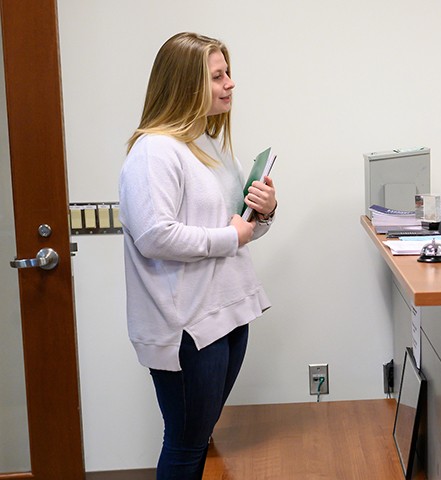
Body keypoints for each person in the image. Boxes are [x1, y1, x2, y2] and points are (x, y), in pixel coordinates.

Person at [119, 32, 277, 479]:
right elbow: (155, 236)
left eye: (228, 73)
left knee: (200, 437)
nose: (230, 84)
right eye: (218, 76)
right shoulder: (153, 152)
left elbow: (236, 228)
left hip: (226, 314)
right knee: (187, 446)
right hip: (188, 327)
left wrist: (263, 212)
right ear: (186, 83)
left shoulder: (208, 146)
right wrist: (233, 235)